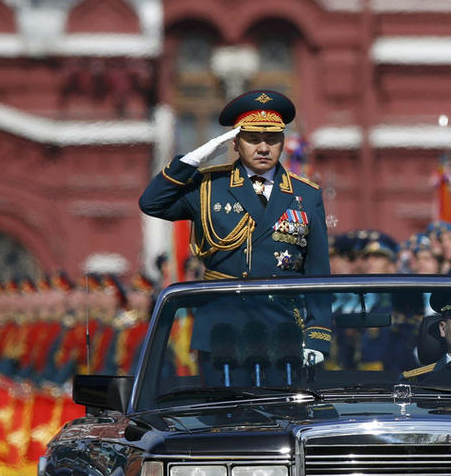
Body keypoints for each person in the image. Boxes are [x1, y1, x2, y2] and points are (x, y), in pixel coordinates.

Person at [139, 89, 331, 367]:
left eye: (272, 139)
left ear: (282, 142)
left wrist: (317, 336)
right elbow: (152, 203)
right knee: (221, 409)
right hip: (222, 328)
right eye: (252, 139)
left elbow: (318, 272)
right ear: (235, 144)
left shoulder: (307, 195)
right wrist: (192, 160)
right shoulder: (208, 187)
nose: (263, 148)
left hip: (283, 329)